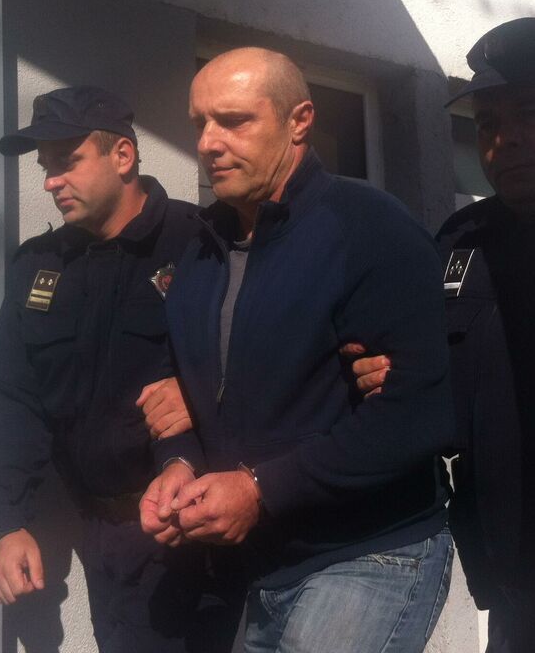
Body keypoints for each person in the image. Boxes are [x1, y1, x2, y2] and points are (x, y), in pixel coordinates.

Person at [140, 48, 455, 653]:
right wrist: (178, 463)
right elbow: (177, 382)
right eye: (199, 123)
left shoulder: (368, 227)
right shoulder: (202, 248)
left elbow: (417, 414)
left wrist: (259, 488)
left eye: (234, 121)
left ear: (299, 121)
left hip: (367, 553)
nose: (208, 143)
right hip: (262, 564)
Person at [357, 18, 535, 651]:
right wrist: (391, 377)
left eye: (532, 112)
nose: (505, 139)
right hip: (514, 578)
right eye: (489, 123)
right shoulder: (461, 241)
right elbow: (439, 381)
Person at [0, 86, 242, 652]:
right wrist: (7, 522)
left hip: (203, 534)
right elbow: (8, 398)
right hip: (106, 538)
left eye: (66, 162)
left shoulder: (203, 242)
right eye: (46, 167)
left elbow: (268, 357)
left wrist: (204, 392)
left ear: (122, 156)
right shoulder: (39, 265)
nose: (51, 182)